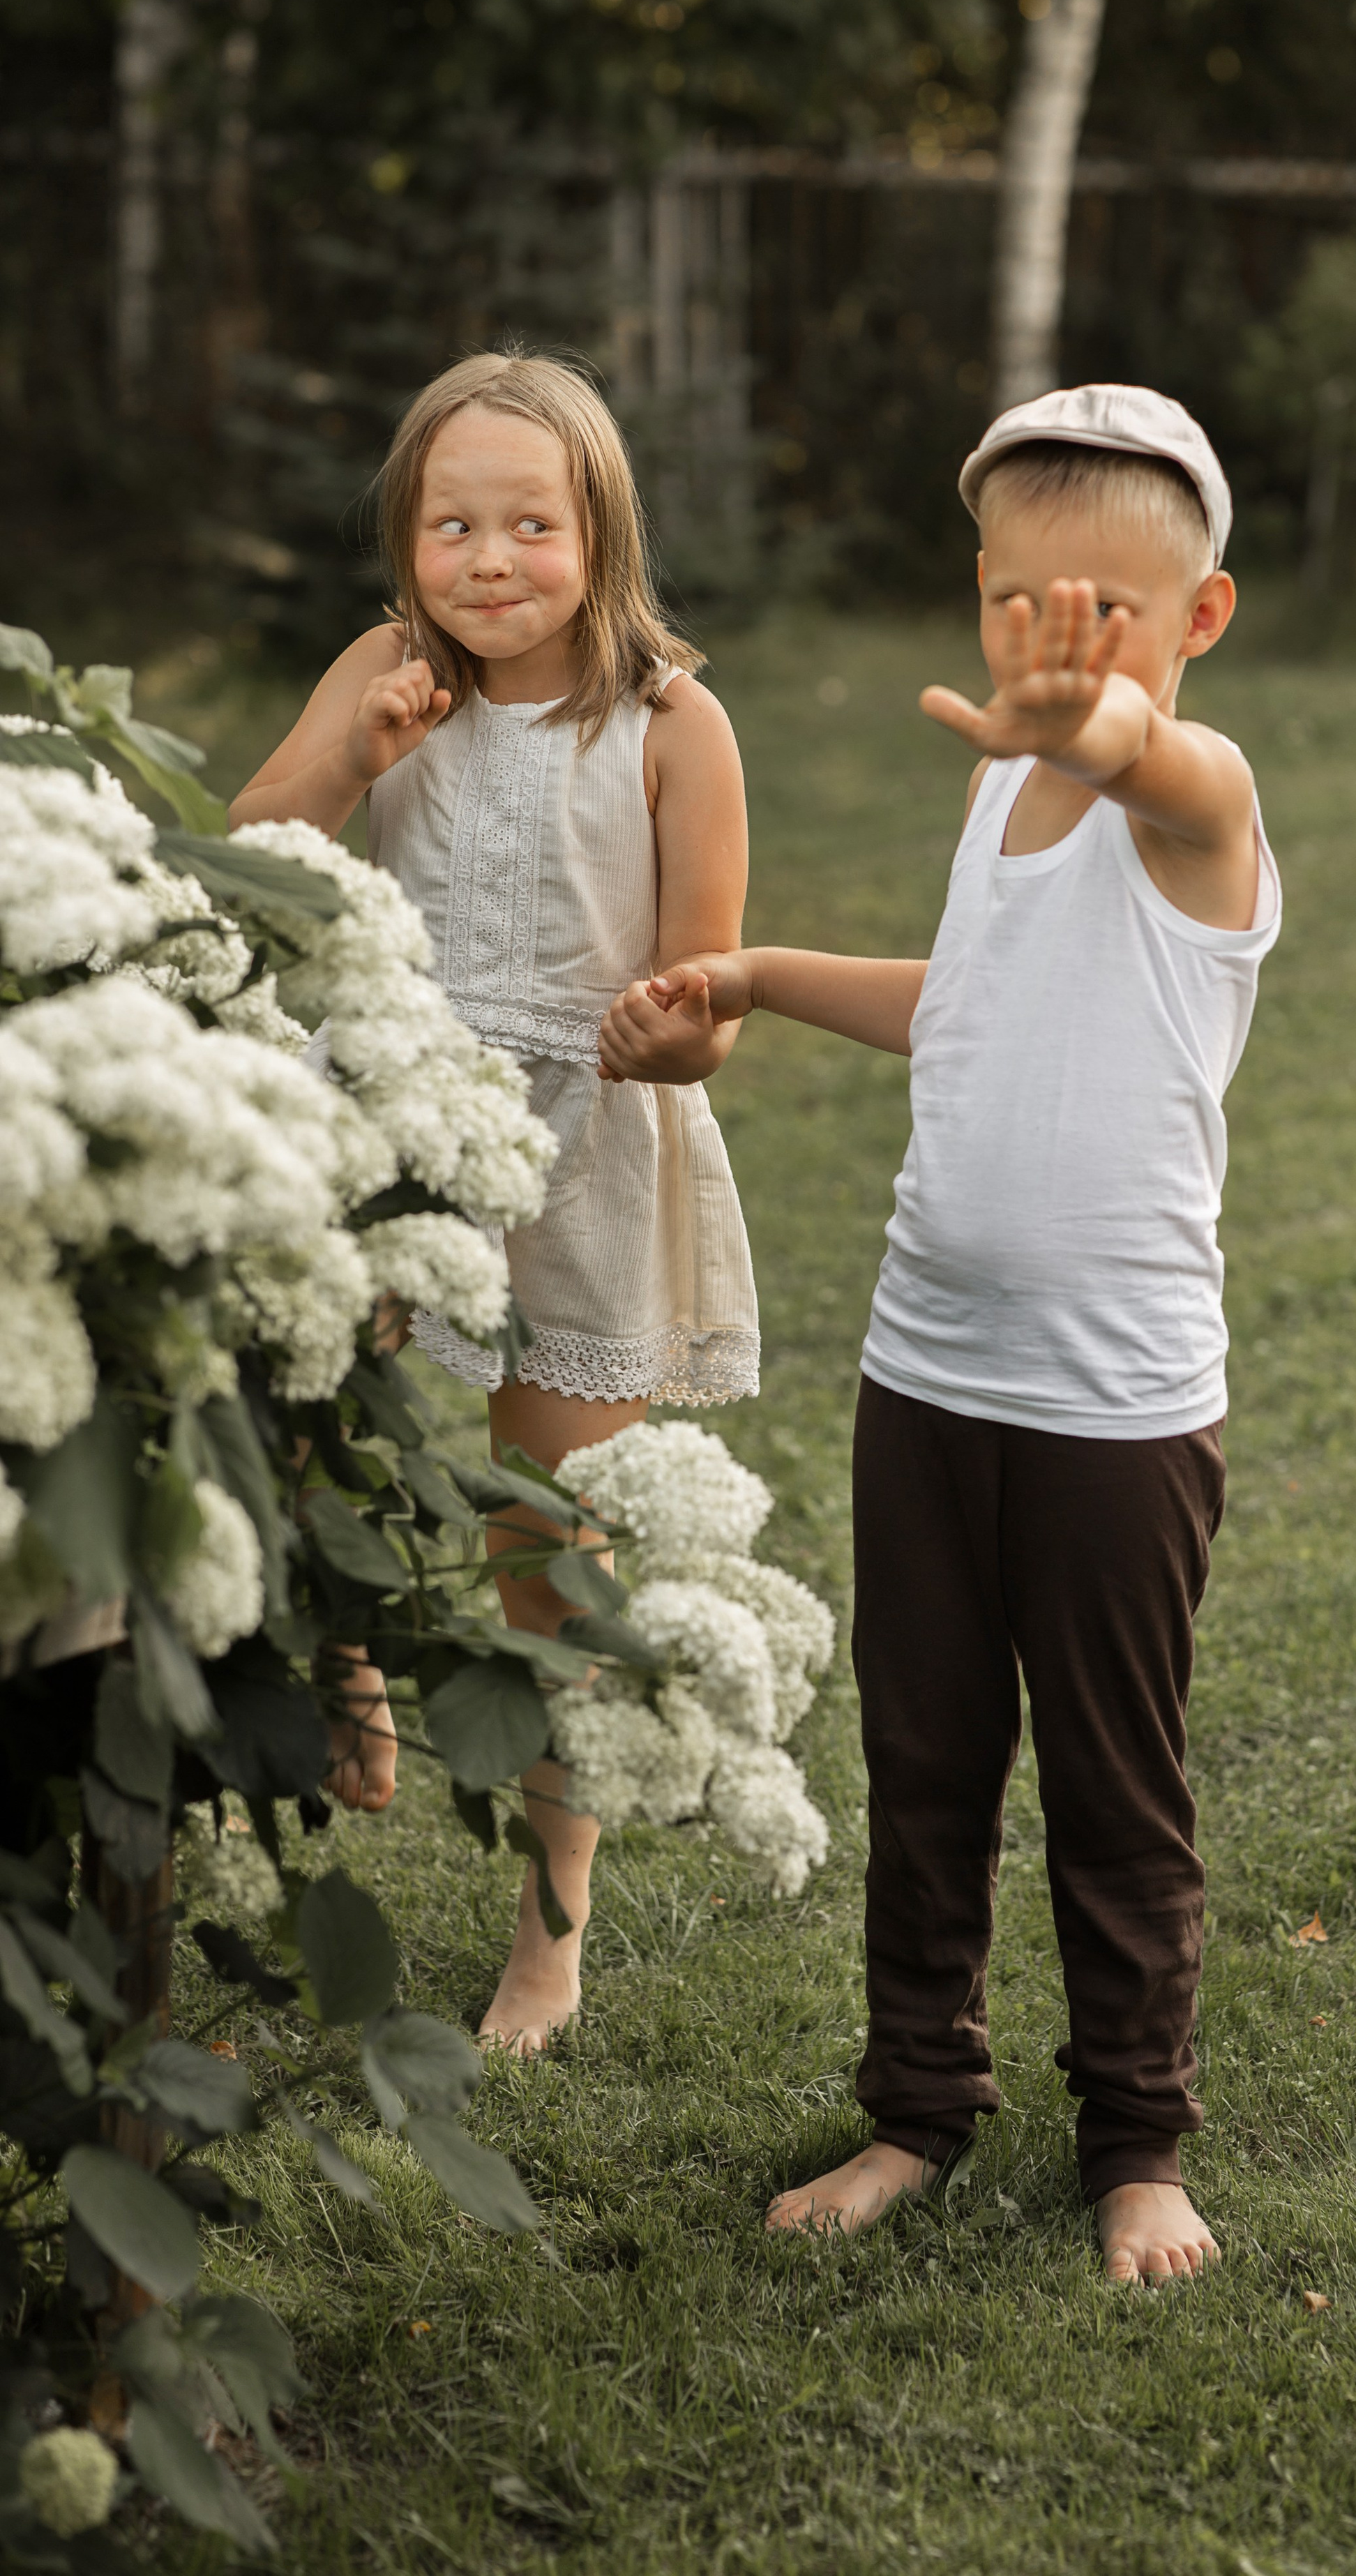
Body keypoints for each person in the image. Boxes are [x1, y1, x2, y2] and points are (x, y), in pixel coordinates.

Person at [598, 384, 1280, 2285]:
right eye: (1016, 607)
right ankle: (918, 2106)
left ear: (1200, 619)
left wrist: (1103, 725)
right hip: (925, 1378)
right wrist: (753, 975)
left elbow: (1164, 767)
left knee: (1115, 1794)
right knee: (926, 1769)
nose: (1053, 649)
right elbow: (966, 996)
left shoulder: (1202, 812)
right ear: (977, 595)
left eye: (1104, 617)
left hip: (1116, 1418)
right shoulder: (994, 790)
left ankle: (1137, 2145)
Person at [232, 348, 759, 2053]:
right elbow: (256, 847)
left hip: (580, 1143)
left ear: (600, 533)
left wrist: (675, 1033)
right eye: (450, 524)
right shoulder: (385, 670)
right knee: (302, 1417)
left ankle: (552, 1930)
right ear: (405, 538)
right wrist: (351, 755)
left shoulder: (672, 724)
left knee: (547, 1548)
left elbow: (706, 994)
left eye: (531, 523)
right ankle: (352, 1652)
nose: (489, 559)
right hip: (389, 1116)